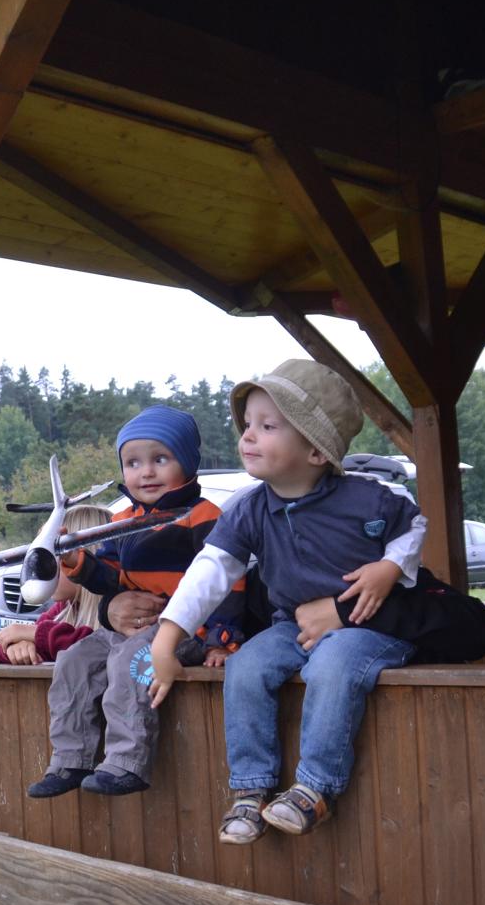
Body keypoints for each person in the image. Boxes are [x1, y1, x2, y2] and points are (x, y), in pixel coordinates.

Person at [146, 359, 429, 844]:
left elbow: (415, 524)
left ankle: (315, 789)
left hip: (369, 627)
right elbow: (210, 571)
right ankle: (251, 788)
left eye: (268, 426)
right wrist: (166, 640)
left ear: (316, 450)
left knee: (333, 664)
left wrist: (389, 567)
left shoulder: (368, 498)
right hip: (292, 625)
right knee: (246, 665)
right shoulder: (248, 509)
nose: (248, 436)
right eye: (247, 424)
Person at [28, 406, 241, 799]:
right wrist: (78, 563)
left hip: (185, 630)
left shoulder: (202, 517)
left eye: (160, 459)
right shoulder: (123, 521)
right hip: (131, 629)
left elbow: (228, 583)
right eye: (133, 463)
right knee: (75, 659)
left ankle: (127, 762)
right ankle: (71, 758)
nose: (146, 472)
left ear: (187, 462)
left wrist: (220, 639)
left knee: (131, 660)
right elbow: (110, 579)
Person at [0, 503, 108, 666]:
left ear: (84, 558)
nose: (41, 568)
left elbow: (94, 648)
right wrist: (15, 646)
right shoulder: (64, 609)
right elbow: (0, 645)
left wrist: (36, 634)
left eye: (54, 556)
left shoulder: (117, 612)